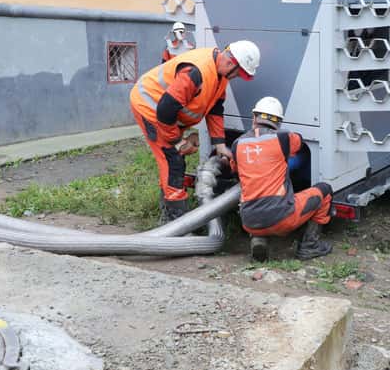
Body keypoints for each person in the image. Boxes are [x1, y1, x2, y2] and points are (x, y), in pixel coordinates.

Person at [130, 41, 260, 224]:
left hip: (169, 114)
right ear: (231, 63)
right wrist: (177, 141)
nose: (238, 77)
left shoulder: (220, 75)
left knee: (174, 159)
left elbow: (215, 108)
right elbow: (165, 109)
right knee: (172, 159)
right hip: (150, 108)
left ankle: (173, 214)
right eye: (239, 73)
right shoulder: (195, 72)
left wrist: (220, 144)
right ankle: (174, 223)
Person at [230, 97, 333, 261]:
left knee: (256, 199)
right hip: (282, 219)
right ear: (278, 122)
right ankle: (309, 246)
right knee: (325, 190)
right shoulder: (283, 138)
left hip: (249, 221)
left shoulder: (237, 144)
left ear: (254, 117)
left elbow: (235, 171)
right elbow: (299, 143)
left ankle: (258, 238)